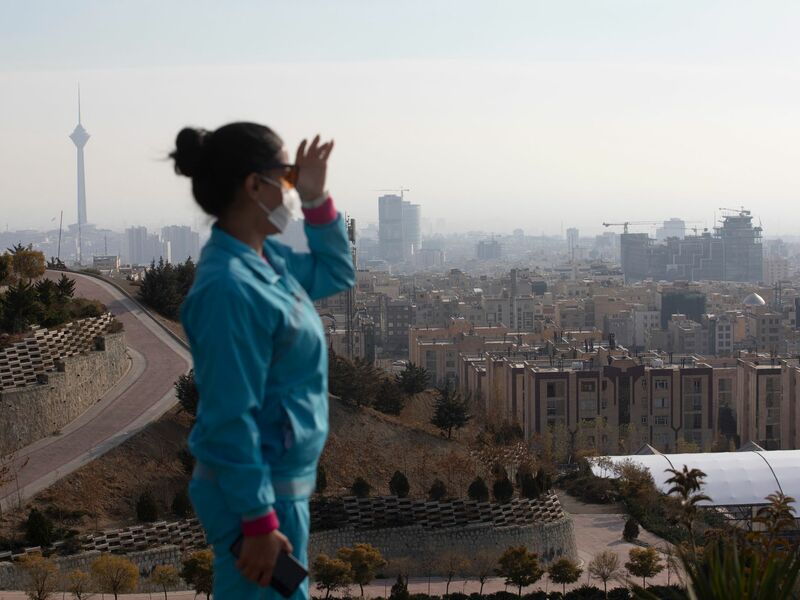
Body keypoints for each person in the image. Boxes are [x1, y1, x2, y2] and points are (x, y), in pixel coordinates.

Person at [171, 122, 355, 599]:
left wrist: (315, 199)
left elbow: (336, 271)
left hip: (277, 489)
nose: (289, 191)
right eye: (286, 179)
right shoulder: (228, 288)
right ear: (254, 185)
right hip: (255, 498)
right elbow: (229, 416)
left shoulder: (265, 261)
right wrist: (256, 521)